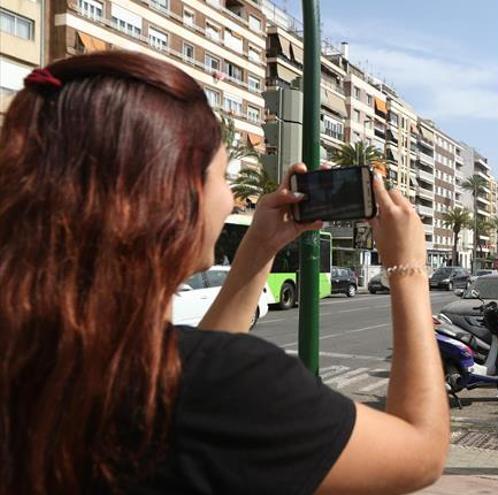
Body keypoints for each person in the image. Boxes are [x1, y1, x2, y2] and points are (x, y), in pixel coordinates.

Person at [0, 51, 448, 495]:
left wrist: (259, 248)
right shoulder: (229, 386)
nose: (233, 199)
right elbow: (420, 451)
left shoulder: (38, 354)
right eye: (222, 175)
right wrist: (408, 268)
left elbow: (191, 369)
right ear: (174, 196)